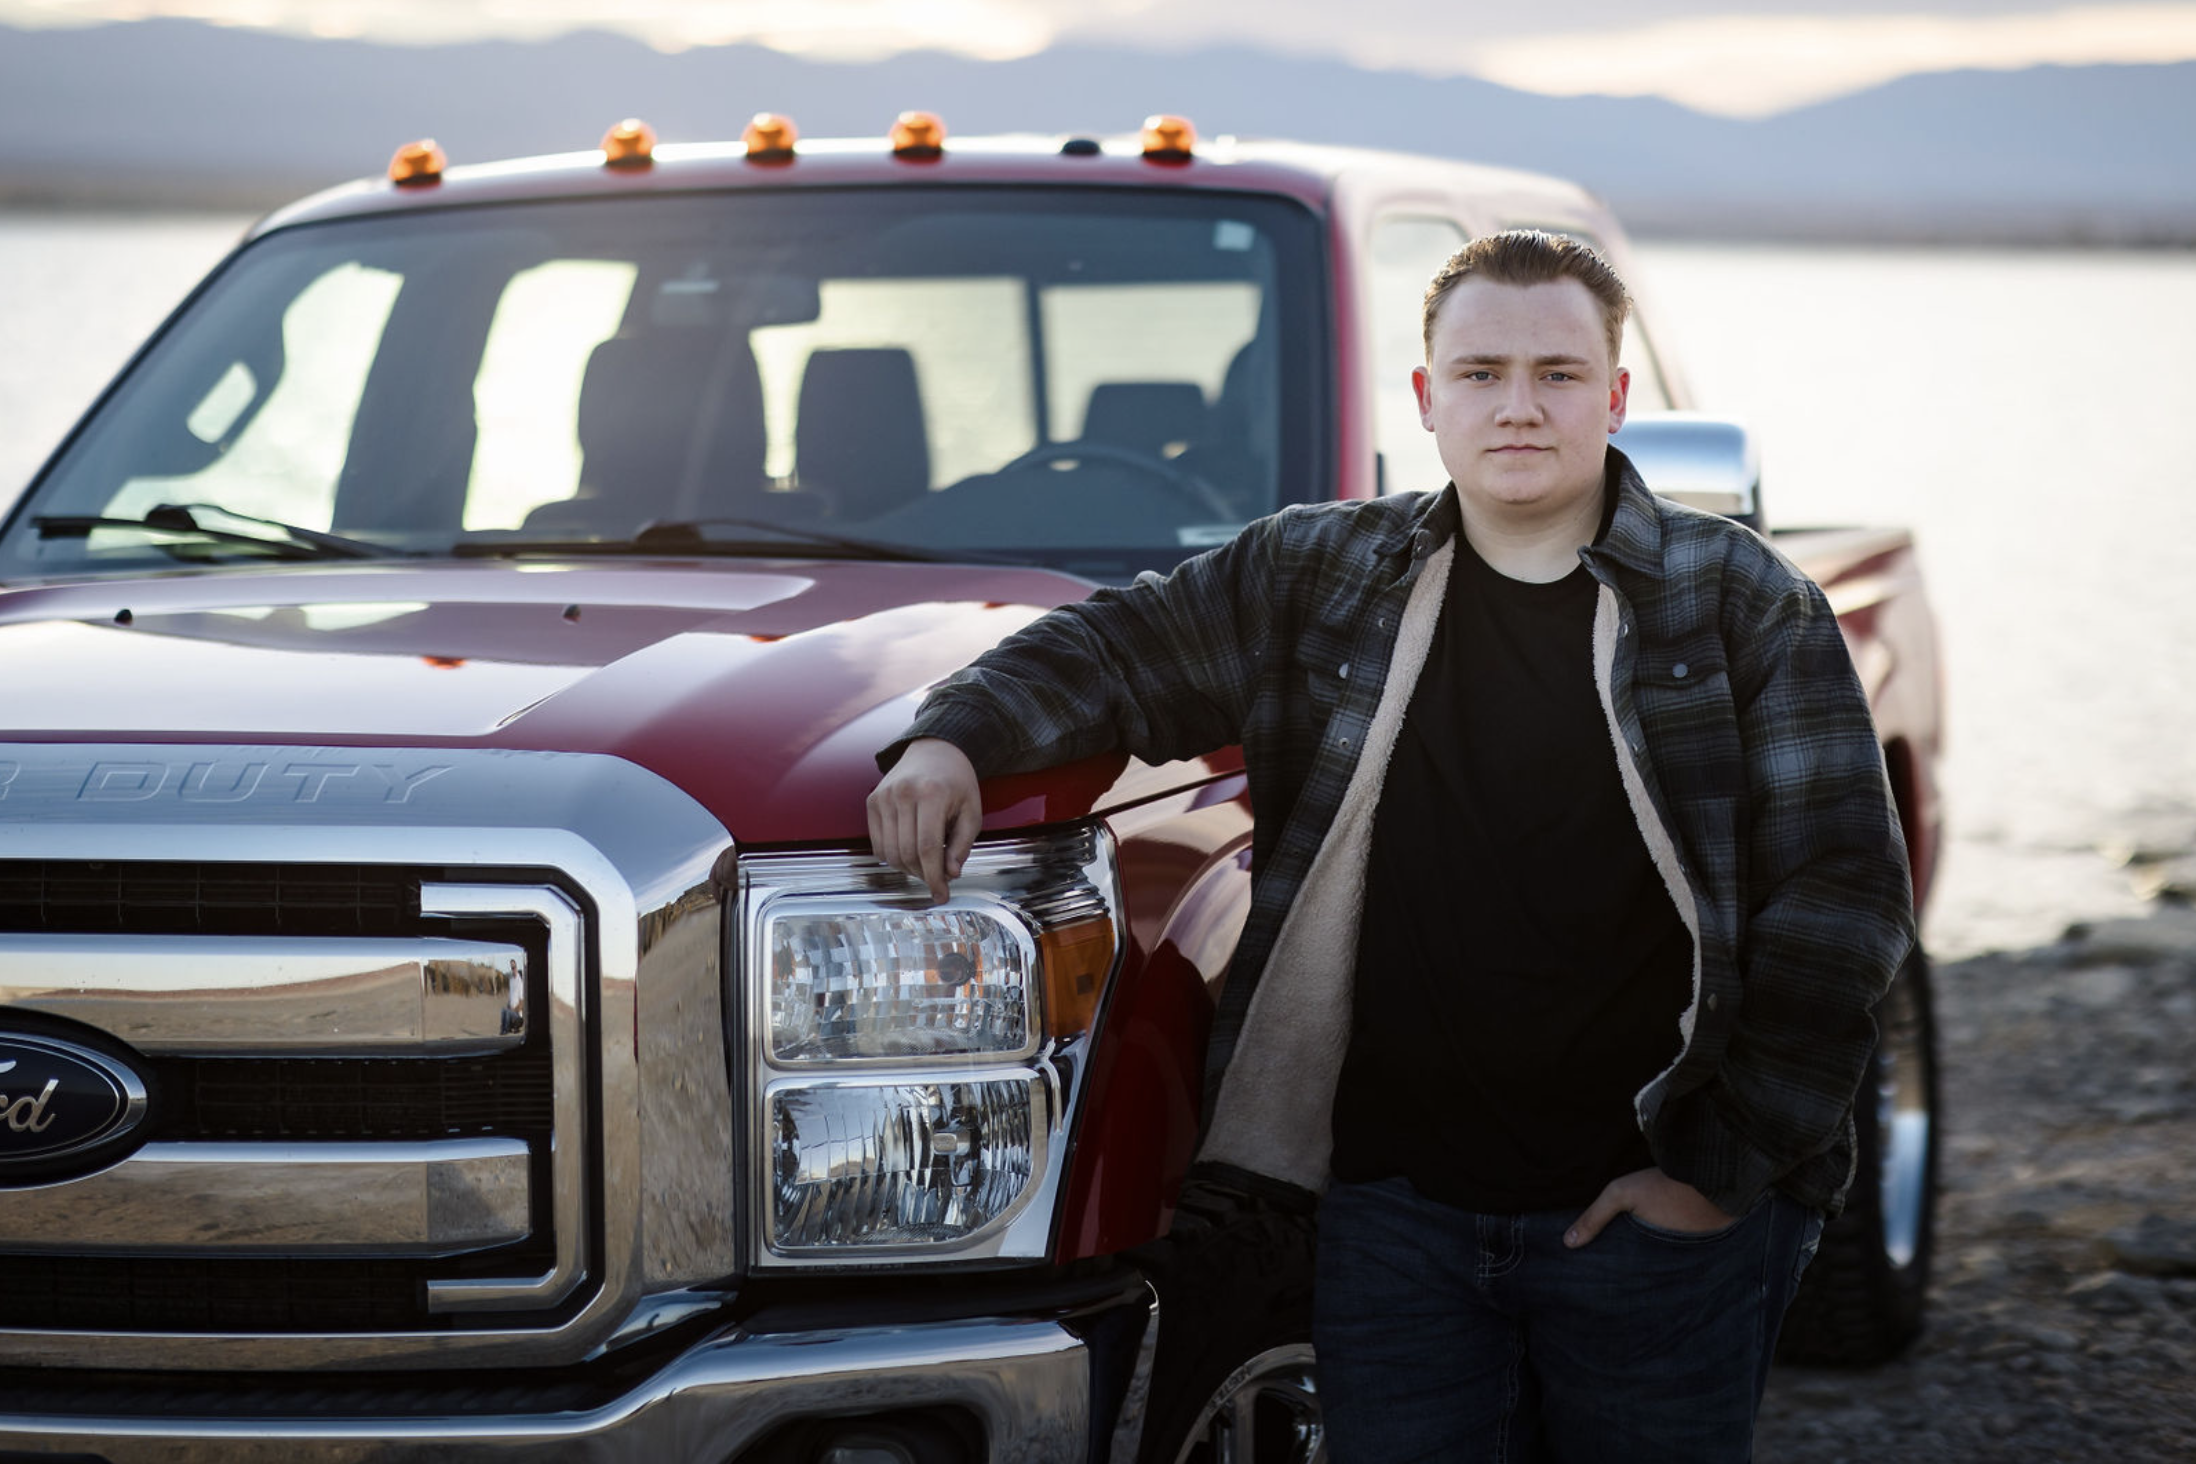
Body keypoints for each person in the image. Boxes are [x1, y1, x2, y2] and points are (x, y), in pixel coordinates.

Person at [868, 229, 1914, 1461]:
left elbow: (1843, 904)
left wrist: (1716, 1175)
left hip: (1649, 1215)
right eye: (1479, 374)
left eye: (1558, 375)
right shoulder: (1320, 575)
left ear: (1617, 398)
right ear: (1425, 398)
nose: (1517, 407)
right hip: (1392, 1221)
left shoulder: (1740, 604)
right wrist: (953, 743)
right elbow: (1112, 648)